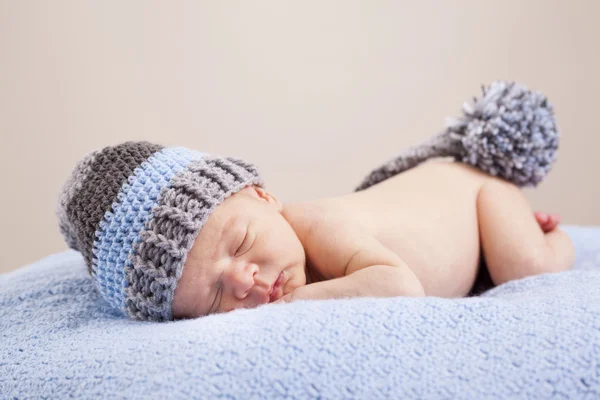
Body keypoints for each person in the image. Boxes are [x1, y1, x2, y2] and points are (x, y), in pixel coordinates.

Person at [57, 141, 574, 322]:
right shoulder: (275, 259)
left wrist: (289, 307)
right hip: (459, 227)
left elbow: (401, 286)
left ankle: (556, 237)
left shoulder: (315, 223)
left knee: (523, 267)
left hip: (476, 196)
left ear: (263, 195)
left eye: (239, 244)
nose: (243, 282)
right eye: (214, 297)